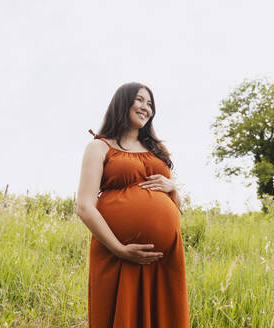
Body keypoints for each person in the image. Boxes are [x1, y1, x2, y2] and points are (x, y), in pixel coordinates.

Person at [76, 82, 190, 327]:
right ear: (122, 102)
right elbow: (84, 207)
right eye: (139, 100)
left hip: (163, 257)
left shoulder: (158, 150)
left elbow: (175, 207)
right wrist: (119, 249)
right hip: (117, 254)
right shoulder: (99, 146)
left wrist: (174, 189)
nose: (145, 107)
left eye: (150, 104)